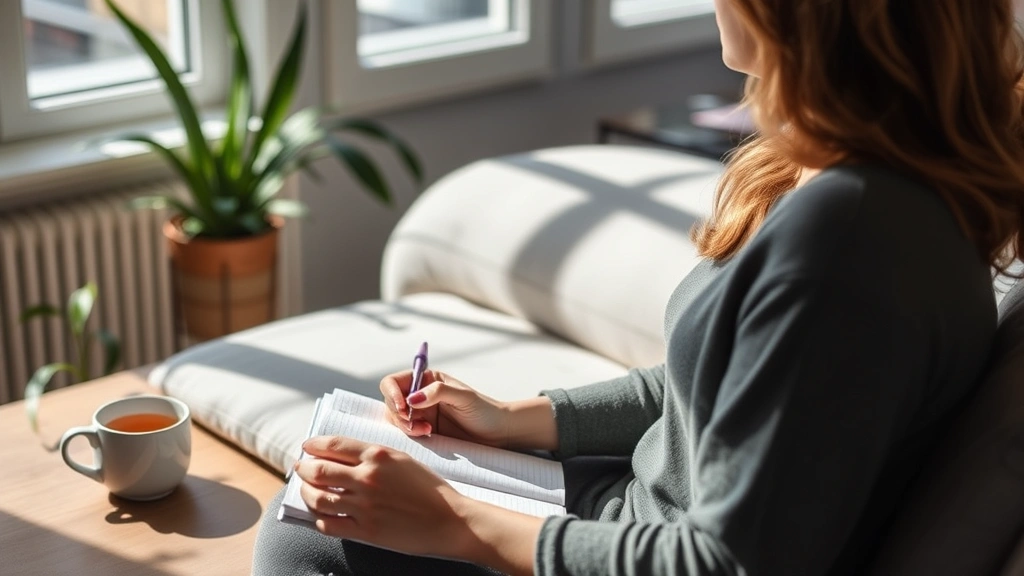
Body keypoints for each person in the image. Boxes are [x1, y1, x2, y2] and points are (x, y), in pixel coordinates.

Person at [252, 0, 1024, 574]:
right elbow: (716, 395)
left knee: (311, 538)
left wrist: (456, 519)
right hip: (630, 507)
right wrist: (519, 419)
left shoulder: (851, 239)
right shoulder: (853, 178)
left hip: (653, 543)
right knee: (324, 497)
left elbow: (726, 564)